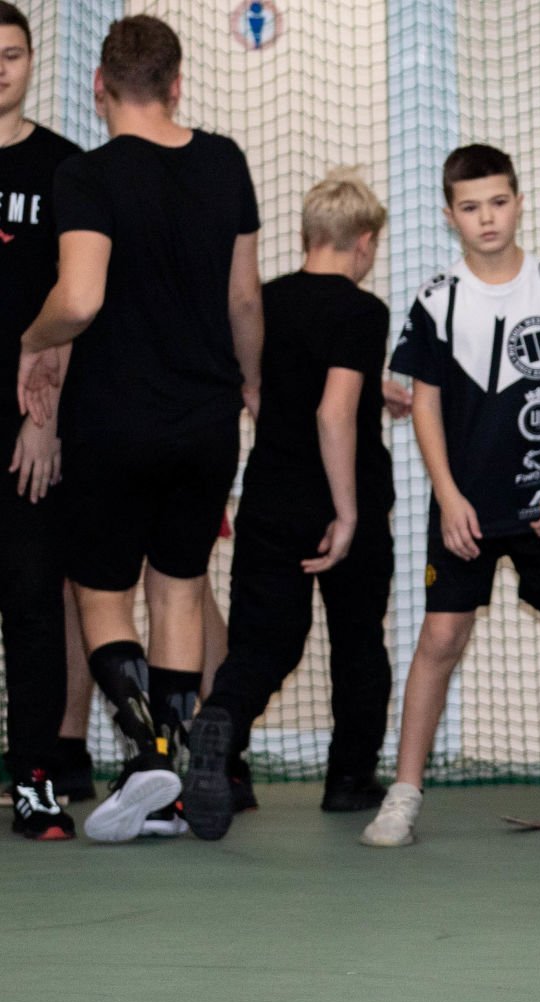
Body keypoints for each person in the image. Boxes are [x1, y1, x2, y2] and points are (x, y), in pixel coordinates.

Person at [17, 14, 263, 844]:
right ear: (177, 84)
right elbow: (244, 299)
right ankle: (171, 783)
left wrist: (32, 338)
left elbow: (80, 298)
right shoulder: (225, 161)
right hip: (206, 421)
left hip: (113, 420)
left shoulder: (86, 174)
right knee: (181, 587)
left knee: (101, 592)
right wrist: (251, 381)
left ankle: (153, 750)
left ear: (100, 88)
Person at [362, 144, 540, 847]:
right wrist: (447, 496)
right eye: (471, 207)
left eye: (499, 202)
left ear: (519, 202)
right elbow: (425, 402)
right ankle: (403, 796)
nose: (488, 217)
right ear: (450, 216)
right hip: (466, 506)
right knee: (441, 636)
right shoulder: (436, 299)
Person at [184, 170, 395, 836]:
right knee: (358, 642)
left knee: (263, 641)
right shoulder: (362, 312)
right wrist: (347, 512)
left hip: (271, 497)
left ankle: (221, 727)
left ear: (308, 236)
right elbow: (334, 413)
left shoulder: (266, 303)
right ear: (365, 242)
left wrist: (375, 389)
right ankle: (349, 779)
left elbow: (270, 386)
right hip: (340, 498)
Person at [0, 1, 78, 840]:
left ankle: (34, 779)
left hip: (28, 428)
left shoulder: (64, 168)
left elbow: (77, 307)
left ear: (30, 61)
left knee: (31, 600)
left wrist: (46, 423)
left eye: (12, 53)